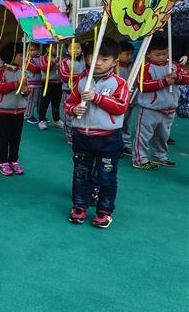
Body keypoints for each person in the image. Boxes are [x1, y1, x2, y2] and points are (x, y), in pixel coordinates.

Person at [65, 38, 129, 228]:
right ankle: (79, 206)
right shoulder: (81, 80)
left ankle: (104, 211)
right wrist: (73, 110)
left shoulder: (119, 83)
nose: (98, 63)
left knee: (106, 176)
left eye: (105, 59)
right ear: (86, 57)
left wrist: (97, 98)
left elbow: (121, 107)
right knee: (80, 173)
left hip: (108, 138)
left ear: (114, 61)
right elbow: (69, 102)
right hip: (82, 136)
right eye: (94, 57)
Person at [132, 34, 189, 170]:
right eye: (158, 54)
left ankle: (159, 156)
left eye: (164, 53)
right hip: (150, 109)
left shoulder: (173, 66)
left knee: (163, 136)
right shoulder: (145, 68)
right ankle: (140, 159)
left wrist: (177, 76)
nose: (162, 57)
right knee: (143, 136)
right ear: (148, 54)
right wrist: (164, 82)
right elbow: (142, 85)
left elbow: (186, 78)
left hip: (169, 108)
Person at [0, 43, 30, 175]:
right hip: (4, 110)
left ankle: (14, 160)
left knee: (16, 137)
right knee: (5, 136)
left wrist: (25, 90)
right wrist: (17, 84)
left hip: (19, 109)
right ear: (11, 55)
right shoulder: (0, 71)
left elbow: (26, 91)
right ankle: (2, 162)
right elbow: (0, 87)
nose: (23, 58)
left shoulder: (22, 71)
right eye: (20, 55)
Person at [58, 41, 85, 143]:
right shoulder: (64, 61)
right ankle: (70, 134)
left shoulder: (84, 60)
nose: (75, 50)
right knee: (69, 114)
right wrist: (80, 76)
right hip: (68, 91)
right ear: (67, 50)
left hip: (81, 92)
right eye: (72, 48)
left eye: (78, 48)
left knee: (81, 113)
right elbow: (64, 76)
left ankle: (79, 133)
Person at [116, 41, 135, 154]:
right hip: (119, 101)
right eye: (127, 54)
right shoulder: (115, 68)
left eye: (131, 54)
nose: (130, 57)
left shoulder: (134, 66)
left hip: (131, 101)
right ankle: (116, 145)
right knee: (118, 124)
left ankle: (125, 144)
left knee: (127, 123)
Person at [38, 46, 62, 129]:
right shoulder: (43, 58)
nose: (56, 49)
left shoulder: (61, 57)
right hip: (47, 83)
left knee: (56, 103)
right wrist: (53, 62)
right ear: (47, 48)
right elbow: (44, 68)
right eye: (54, 47)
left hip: (58, 83)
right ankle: (41, 120)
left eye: (57, 47)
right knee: (44, 102)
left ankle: (56, 120)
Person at [24, 43, 43, 125]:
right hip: (31, 82)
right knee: (31, 100)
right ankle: (28, 115)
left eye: (35, 50)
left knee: (39, 100)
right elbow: (34, 69)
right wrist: (44, 66)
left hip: (40, 82)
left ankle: (41, 115)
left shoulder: (40, 58)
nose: (33, 52)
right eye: (31, 50)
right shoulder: (27, 59)